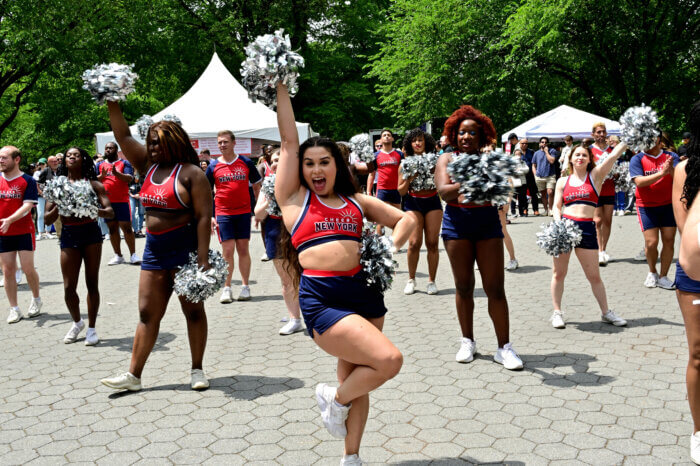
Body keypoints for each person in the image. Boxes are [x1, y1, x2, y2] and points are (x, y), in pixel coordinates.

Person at [274, 82, 413, 464]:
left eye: (324, 161)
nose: (317, 169)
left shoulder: (356, 201)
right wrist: (282, 87)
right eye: (309, 163)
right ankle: (332, 399)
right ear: (301, 170)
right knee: (388, 362)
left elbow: (408, 219)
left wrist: (391, 247)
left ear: (337, 165)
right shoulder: (294, 200)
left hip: (365, 294)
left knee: (361, 374)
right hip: (324, 300)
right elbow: (288, 141)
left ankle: (350, 457)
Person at [100, 103, 213, 392]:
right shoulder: (147, 166)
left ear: (172, 143)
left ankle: (197, 370)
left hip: (185, 252)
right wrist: (112, 100)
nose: (150, 147)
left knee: (193, 312)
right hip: (154, 252)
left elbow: (203, 218)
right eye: (149, 142)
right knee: (147, 313)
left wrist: (202, 258)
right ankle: (134, 376)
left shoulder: (191, 174)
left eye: (156, 143)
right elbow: (123, 136)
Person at [435, 105, 523, 370]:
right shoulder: (446, 160)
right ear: (454, 135)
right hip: (456, 226)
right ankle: (467, 341)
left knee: (495, 288)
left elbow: (501, 191)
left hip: (487, 224)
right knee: (463, 286)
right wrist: (472, 180)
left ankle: (504, 348)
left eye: (472, 133)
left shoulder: (492, 159)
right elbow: (444, 192)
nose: (467, 137)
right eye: (462, 133)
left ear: (481, 135)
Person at [548, 143, 628, 329]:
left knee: (594, 276)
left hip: (586, 228)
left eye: (584, 155)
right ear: (570, 159)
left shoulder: (596, 176)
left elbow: (613, 156)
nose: (580, 158)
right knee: (559, 274)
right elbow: (556, 207)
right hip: (565, 227)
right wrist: (559, 224)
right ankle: (557, 312)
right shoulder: (563, 181)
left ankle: (606, 312)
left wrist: (626, 140)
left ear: (590, 159)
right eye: (577, 155)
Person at [45, 147, 113, 345]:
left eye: (76, 155)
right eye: (68, 155)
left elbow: (109, 212)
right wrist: (61, 202)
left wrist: (91, 209)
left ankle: (91, 329)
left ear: (83, 160)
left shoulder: (94, 185)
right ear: (64, 161)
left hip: (91, 234)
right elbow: (47, 219)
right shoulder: (57, 185)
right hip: (69, 235)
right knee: (68, 287)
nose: (72, 157)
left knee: (92, 283)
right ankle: (77, 322)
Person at [672, 100, 700, 464]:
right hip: (694, 276)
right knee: (698, 353)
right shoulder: (685, 168)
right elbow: (683, 224)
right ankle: (699, 430)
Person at [206, 130, 262, 303]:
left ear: (233, 143)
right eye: (220, 142)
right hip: (223, 213)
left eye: (225, 142)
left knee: (243, 249)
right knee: (227, 251)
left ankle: (245, 287)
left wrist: (259, 209)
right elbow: (207, 193)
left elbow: (257, 187)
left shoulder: (245, 162)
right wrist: (210, 216)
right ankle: (227, 288)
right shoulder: (213, 166)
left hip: (244, 213)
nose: (222, 145)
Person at [253, 150, 303, 335]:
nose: (277, 163)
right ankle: (295, 319)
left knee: (308, 276)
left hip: (300, 231)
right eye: (274, 161)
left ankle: (317, 316)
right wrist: (271, 196)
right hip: (276, 232)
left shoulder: (300, 181)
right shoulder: (267, 184)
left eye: (281, 160)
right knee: (287, 280)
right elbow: (258, 214)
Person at [630, 133, 680, 290]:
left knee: (669, 239)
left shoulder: (671, 156)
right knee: (651, 243)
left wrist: (670, 169)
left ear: (659, 140)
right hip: (646, 206)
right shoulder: (637, 159)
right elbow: (639, 182)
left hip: (669, 205)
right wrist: (661, 173)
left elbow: (678, 178)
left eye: (651, 138)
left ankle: (663, 276)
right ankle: (652, 272)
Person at [397, 129, 442, 295]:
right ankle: (411, 279)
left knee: (432, 243)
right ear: (409, 144)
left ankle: (431, 281)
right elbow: (401, 191)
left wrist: (436, 175)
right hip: (413, 202)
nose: (417, 143)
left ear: (426, 142)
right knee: (414, 243)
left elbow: (443, 184)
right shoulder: (404, 164)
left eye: (420, 140)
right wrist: (409, 178)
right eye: (414, 140)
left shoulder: (435, 161)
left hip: (432, 201)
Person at [0, 146, 42, 324]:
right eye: (0, 158)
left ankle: (36, 299)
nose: (1, 161)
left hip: (24, 231)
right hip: (3, 232)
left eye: (4, 158)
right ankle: (14, 309)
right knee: (8, 271)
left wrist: (9, 219)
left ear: (17, 159)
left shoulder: (28, 181)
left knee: (27, 269)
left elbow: (27, 207)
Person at [97, 141, 141, 265]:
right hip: (107, 202)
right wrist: (102, 176)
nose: (108, 150)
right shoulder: (100, 164)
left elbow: (129, 178)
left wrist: (117, 174)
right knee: (112, 229)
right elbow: (94, 180)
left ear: (116, 150)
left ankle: (133, 255)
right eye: (106, 148)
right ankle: (118, 255)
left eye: (110, 148)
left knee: (127, 228)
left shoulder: (124, 163)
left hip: (122, 201)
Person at [589, 123, 616, 265]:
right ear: (593, 134)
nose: (601, 134)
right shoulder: (589, 150)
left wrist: (617, 173)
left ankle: (604, 249)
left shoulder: (612, 150)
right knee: (597, 221)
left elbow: (619, 166)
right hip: (596, 190)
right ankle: (599, 251)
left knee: (608, 220)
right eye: (598, 132)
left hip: (609, 189)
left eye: (603, 132)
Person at [532, 137, 558, 215]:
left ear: (547, 144)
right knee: (543, 194)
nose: (544, 143)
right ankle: (546, 210)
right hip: (539, 176)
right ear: (540, 143)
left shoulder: (552, 151)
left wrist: (546, 152)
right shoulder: (536, 153)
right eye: (542, 142)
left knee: (550, 192)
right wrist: (535, 174)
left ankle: (551, 209)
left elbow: (552, 161)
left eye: (545, 142)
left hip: (550, 175)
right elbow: (533, 165)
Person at [37, 155, 60, 240]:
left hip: (58, 196)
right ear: (48, 163)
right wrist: (41, 193)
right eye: (53, 161)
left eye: (56, 161)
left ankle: (48, 232)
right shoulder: (46, 171)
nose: (55, 162)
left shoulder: (61, 170)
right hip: (46, 196)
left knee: (53, 214)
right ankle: (40, 233)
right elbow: (37, 184)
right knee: (41, 214)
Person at [518, 138, 539, 216]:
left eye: (526, 143)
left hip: (531, 176)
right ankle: (525, 209)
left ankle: (535, 209)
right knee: (523, 194)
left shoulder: (532, 152)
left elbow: (535, 163)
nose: (524, 145)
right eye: (522, 143)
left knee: (533, 193)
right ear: (519, 144)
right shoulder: (517, 152)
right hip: (522, 177)